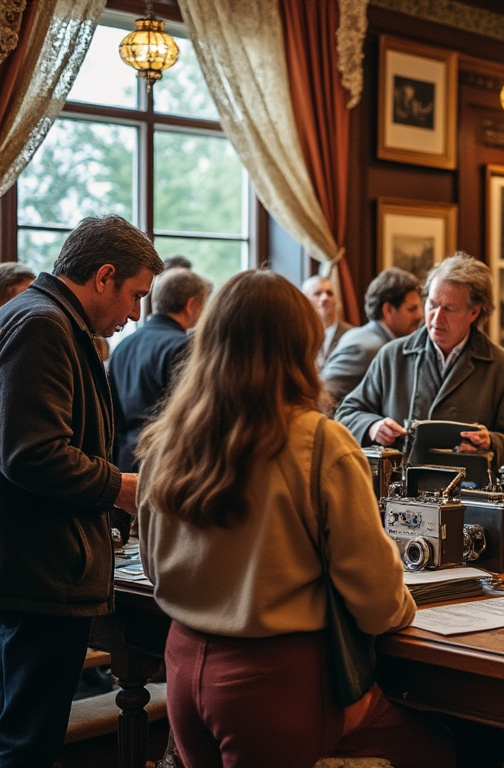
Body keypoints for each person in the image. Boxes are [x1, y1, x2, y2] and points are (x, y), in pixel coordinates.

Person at [136, 270, 456, 768]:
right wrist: (401, 611)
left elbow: (155, 567)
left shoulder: (166, 439)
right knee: (439, 750)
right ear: (300, 347)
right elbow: (374, 596)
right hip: (273, 682)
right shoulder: (319, 443)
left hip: (181, 667)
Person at [0, 214, 161, 765]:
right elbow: (32, 454)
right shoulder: (42, 324)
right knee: (28, 742)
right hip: (36, 573)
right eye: (135, 295)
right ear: (104, 276)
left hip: (36, 567)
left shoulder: (44, 319)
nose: (136, 314)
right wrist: (123, 487)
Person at [337, 253, 504, 468]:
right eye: (432, 305)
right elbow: (346, 414)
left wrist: (491, 442)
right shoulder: (392, 355)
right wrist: (372, 426)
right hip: (400, 492)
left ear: (474, 312)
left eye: (449, 309)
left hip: (466, 495)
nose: (436, 318)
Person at [109, 267, 212, 471]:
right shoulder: (184, 347)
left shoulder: (123, 346)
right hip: (164, 461)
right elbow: (191, 414)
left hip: (124, 460)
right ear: (192, 305)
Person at [321, 267, 423, 408]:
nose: (420, 315)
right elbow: (324, 398)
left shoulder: (358, 334)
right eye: (412, 309)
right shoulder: (366, 349)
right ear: (388, 310)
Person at [304, 274, 354, 369]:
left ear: (336, 300)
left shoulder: (351, 334)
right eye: (318, 293)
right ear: (306, 300)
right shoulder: (301, 335)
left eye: (329, 293)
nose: (325, 298)